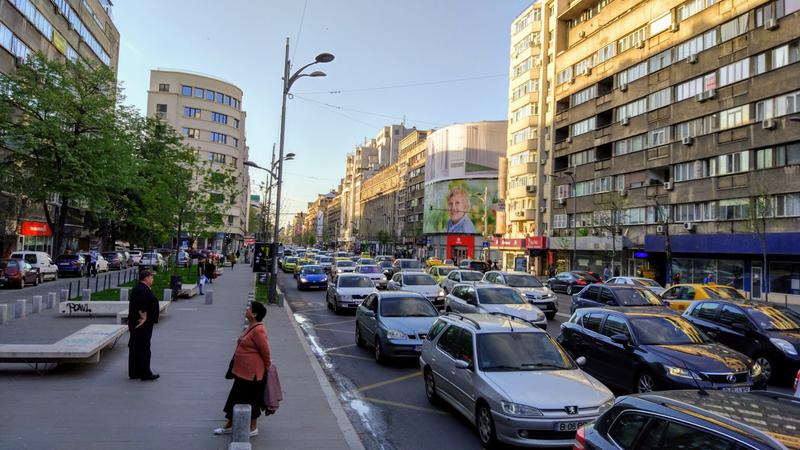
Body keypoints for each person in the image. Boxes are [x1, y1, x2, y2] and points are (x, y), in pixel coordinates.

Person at [214, 302, 271, 437]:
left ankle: (252, 427)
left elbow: (266, 352)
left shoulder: (259, 330)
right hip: (243, 372)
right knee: (235, 398)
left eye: (250, 308)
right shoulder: (252, 327)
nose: (247, 309)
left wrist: (267, 369)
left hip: (252, 374)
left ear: (254, 314)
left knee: (252, 400)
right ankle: (230, 424)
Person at [128, 270, 160, 381]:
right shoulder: (142, 289)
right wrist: (144, 317)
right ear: (146, 278)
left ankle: (135, 371)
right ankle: (145, 373)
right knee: (144, 347)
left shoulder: (140, 288)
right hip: (142, 324)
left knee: (136, 347)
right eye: (151, 277)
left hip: (137, 323)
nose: (152, 279)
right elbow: (142, 305)